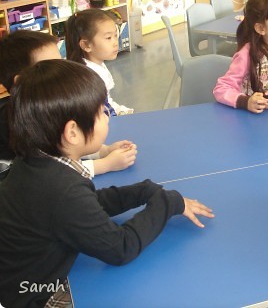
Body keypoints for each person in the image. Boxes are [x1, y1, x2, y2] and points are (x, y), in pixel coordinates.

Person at [0, 60, 214, 307]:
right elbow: (120, 248)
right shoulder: (61, 190)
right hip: (29, 297)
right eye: (100, 112)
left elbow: (87, 206)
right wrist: (168, 202)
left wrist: (142, 191)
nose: (106, 116)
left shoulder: (36, 163)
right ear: (72, 133)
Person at [0, 30, 137, 180]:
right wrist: (105, 164)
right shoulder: (20, 121)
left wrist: (103, 151)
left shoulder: (51, 105)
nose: (63, 71)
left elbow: (65, 145)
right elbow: (54, 170)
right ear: (21, 82)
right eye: (50, 67)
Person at [66, 8, 133, 115]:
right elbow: (100, 111)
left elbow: (106, 100)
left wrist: (119, 110)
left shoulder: (96, 64)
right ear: (86, 45)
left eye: (116, 35)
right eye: (108, 38)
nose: (115, 42)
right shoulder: (90, 77)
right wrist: (118, 113)